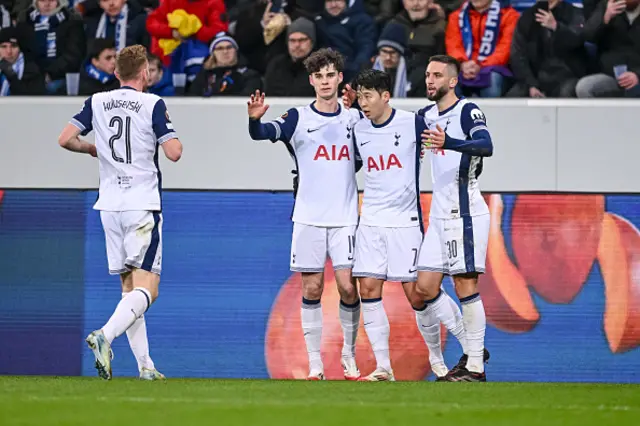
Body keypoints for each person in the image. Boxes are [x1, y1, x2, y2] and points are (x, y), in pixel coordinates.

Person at [57, 44, 183, 381]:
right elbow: (174, 153)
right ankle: (105, 336)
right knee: (148, 290)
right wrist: (167, 135)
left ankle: (146, 366)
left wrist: (92, 149)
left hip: (109, 205)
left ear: (116, 74)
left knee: (129, 290)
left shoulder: (97, 101)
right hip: (141, 204)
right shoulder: (153, 103)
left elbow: (65, 138)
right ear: (145, 73)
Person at [246, 48, 363, 381]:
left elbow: (365, 155)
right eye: (319, 76)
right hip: (309, 217)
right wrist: (254, 119)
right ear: (311, 80)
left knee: (348, 288)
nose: (325, 82)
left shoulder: (354, 118)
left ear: (340, 78)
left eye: (331, 75)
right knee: (311, 289)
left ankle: (349, 355)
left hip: (345, 217)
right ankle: (315, 363)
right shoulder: (298, 117)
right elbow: (262, 134)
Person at [347, 69, 460, 381]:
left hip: (405, 222)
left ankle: (438, 358)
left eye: (369, 96)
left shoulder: (414, 122)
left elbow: (446, 138)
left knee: (417, 295)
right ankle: (383, 366)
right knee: (368, 288)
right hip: (370, 221)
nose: (364, 103)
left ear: (386, 96)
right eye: (360, 96)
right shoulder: (357, 128)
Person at [416, 54, 493, 381]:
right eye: (427, 75)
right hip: (439, 212)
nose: (430, 80)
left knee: (465, 284)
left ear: (452, 80)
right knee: (425, 285)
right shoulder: (424, 115)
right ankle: (472, 346)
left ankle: (475, 367)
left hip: (465, 209)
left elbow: (487, 145)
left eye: (437, 75)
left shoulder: (467, 110)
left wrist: (451, 142)